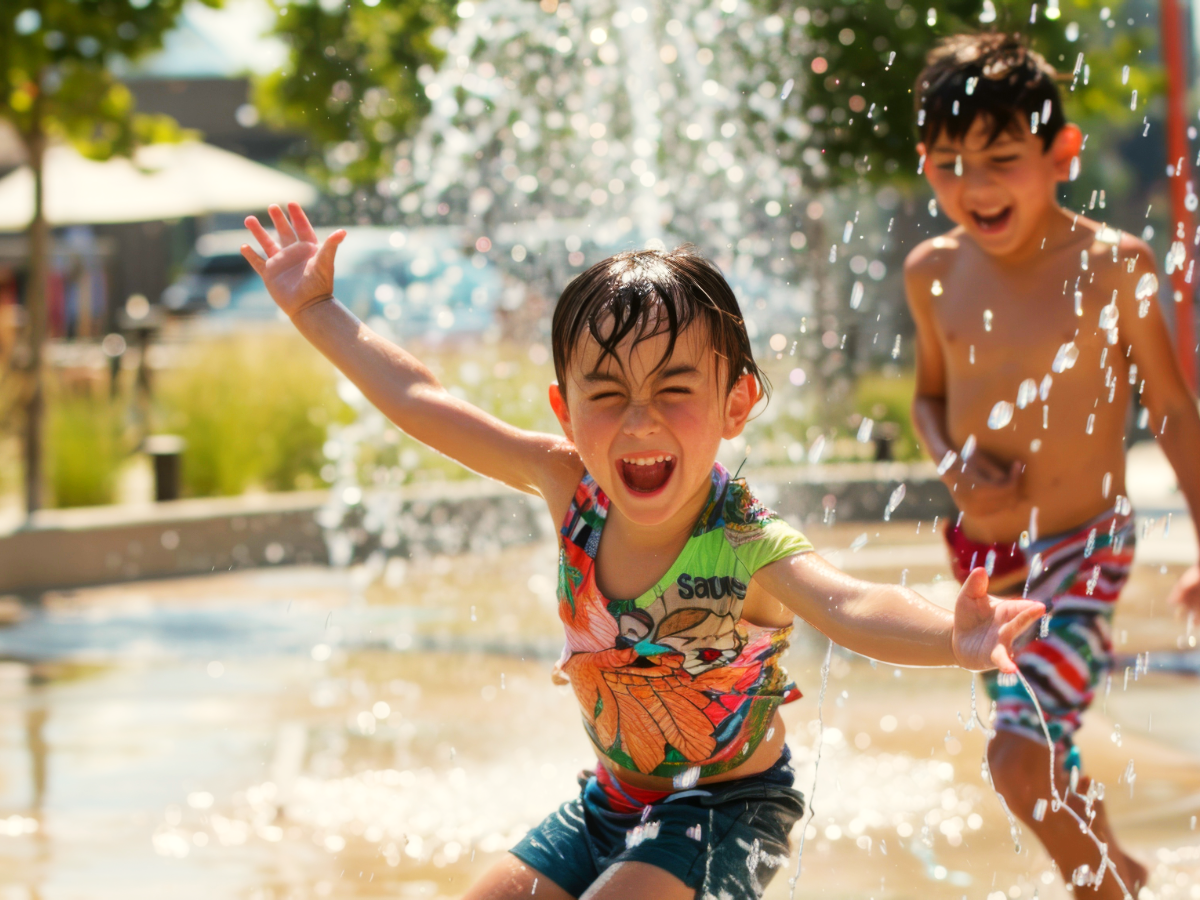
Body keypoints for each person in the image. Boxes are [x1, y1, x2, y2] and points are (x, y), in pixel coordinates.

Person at [242, 203, 1045, 900]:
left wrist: (952, 634)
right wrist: (317, 310)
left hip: (733, 813)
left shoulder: (745, 544)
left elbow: (850, 602)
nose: (639, 420)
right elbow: (425, 400)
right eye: (607, 393)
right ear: (565, 409)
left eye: (673, 389)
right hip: (610, 803)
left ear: (737, 403)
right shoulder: (569, 489)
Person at [906, 33, 1200, 900]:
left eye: (1003, 157)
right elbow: (928, 401)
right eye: (951, 163)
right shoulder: (932, 273)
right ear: (925, 165)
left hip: (1082, 552)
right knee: (1043, 744)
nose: (977, 185)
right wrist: (948, 456)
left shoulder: (1113, 268)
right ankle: (1116, 869)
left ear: (1061, 154)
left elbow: (1175, 413)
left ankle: (1100, 889)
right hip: (983, 563)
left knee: (1016, 755)